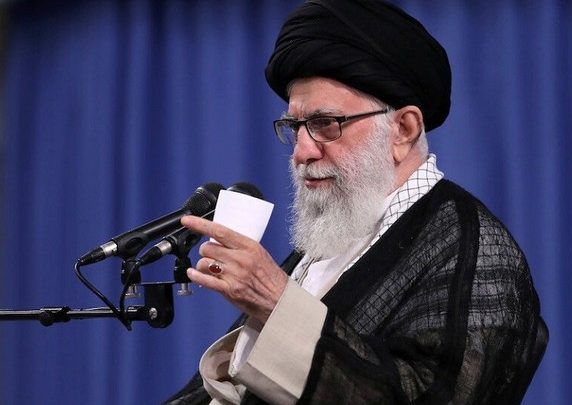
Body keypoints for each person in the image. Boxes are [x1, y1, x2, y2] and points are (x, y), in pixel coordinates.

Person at [166, 1, 548, 404]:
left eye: (325, 124)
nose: (301, 152)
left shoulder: (475, 248)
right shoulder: (332, 240)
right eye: (295, 127)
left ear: (403, 130)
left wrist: (277, 304)